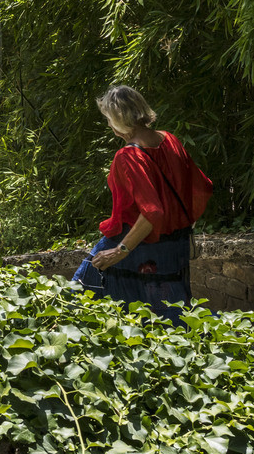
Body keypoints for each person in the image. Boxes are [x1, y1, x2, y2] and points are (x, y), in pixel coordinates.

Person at [77, 85, 212, 322]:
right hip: (174, 246)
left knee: (79, 297)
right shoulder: (170, 140)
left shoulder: (129, 156)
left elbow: (152, 212)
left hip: (135, 244)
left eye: (108, 119)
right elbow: (202, 188)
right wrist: (176, 226)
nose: (109, 125)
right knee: (170, 317)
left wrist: (119, 252)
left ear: (118, 119)